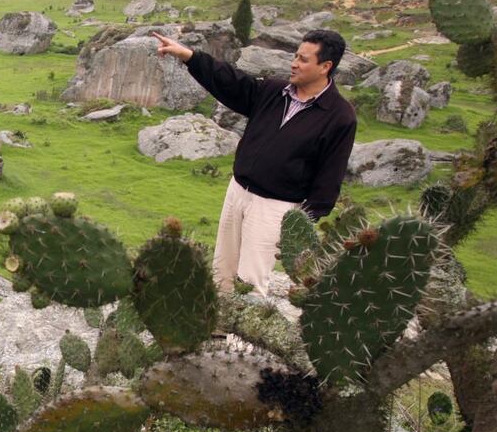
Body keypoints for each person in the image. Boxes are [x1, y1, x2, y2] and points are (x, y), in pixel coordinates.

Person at [152, 29, 357, 294]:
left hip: (275, 208)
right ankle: (217, 330)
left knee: (250, 281)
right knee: (222, 269)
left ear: (325, 66)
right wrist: (190, 57)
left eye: (304, 59)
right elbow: (231, 82)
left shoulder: (340, 116)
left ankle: (241, 336)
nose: (294, 63)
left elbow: (330, 177)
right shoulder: (274, 91)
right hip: (237, 192)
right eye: (295, 56)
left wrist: (301, 225)